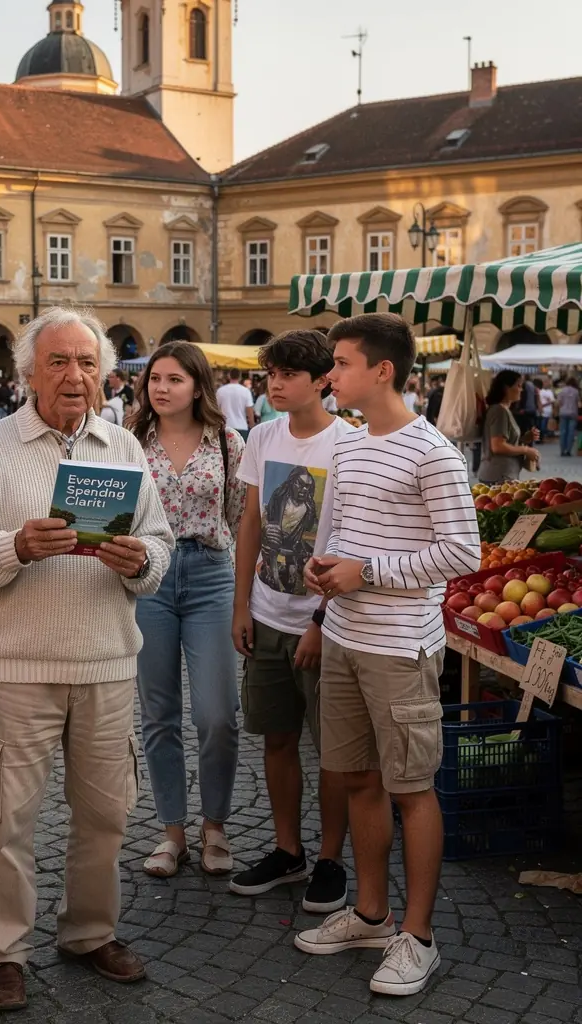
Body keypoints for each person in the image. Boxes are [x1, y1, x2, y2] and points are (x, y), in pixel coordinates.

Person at [0, 306, 174, 1012]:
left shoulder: (123, 448)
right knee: (6, 817)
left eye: (89, 363)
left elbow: (159, 551)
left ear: (104, 373)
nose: (76, 376)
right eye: (60, 362)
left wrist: (140, 561)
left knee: (106, 816)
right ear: (29, 372)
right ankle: (3, 950)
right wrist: (15, 547)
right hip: (18, 669)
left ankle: (90, 932)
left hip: (106, 663)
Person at [295, 313, 479, 998]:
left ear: (382, 371)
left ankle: (418, 935)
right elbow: (339, 527)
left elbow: (463, 552)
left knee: (410, 788)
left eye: (340, 363)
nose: (330, 375)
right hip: (344, 635)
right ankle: (371, 913)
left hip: (400, 646)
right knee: (357, 780)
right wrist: (324, 581)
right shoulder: (347, 443)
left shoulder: (432, 451)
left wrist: (364, 571)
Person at [231, 330, 351, 913]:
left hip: (325, 622)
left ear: (323, 379)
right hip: (266, 611)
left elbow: (353, 541)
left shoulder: (349, 444)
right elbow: (250, 523)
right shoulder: (262, 435)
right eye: (269, 374)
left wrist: (321, 623)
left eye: (287, 374)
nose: (274, 384)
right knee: (276, 738)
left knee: (334, 751)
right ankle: (288, 850)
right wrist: (240, 607)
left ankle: (330, 859)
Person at [129, 342, 245, 878]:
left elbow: (242, 517)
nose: (162, 388)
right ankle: (172, 829)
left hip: (210, 575)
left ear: (198, 386)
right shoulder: (129, 442)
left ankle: (215, 826)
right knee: (159, 715)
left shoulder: (228, 442)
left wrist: (248, 593)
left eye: (174, 379)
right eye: (155, 378)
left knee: (217, 714)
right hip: (148, 578)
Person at [477, 371, 540, 484]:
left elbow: (505, 441)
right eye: (518, 385)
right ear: (506, 388)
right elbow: (498, 446)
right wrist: (526, 450)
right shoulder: (499, 411)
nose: (521, 389)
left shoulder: (503, 410)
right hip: (498, 476)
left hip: (502, 474)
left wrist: (524, 439)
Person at [216, 368, 255, 439]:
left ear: (229, 376)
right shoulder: (246, 391)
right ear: (240, 377)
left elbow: (216, 408)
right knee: (242, 449)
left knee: (224, 450)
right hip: (242, 426)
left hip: (225, 426)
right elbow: (249, 410)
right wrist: (252, 425)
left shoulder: (221, 391)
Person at [559, 377, 580, 457]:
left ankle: (562, 450)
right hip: (573, 413)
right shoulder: (576, 391)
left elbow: (560, 402)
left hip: (563, 413)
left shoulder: (562, 390)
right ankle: (568, 450)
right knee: (571, 433)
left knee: (563, 432)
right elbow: (578, 403)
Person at [537, 378, 554, 442]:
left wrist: (545, 404)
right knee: (541, 426)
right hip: (541, 412)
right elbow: (538, 401)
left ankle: (542, 438)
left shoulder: (550, 392)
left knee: (544, 426)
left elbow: (552, 401)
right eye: (545, 382)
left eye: (547, 382)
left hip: (548, 411)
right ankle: (540, 439)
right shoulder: (540, 391)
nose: (546, 384)